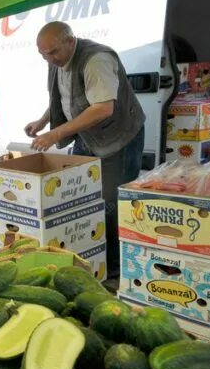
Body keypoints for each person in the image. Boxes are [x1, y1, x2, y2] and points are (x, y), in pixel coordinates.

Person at [24, 21, 145, 278]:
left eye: (53, 52)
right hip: (88, 136)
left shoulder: (96, 60)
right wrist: (43, 121)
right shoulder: (58, 59)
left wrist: (56, 133)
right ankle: (88, 255)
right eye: (42, 54)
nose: (48, 58)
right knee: (80, 195)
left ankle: (114, 266)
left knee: (111, 201)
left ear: (70, 41)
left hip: (118, 136)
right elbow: (65, 96)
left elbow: (103, 108)